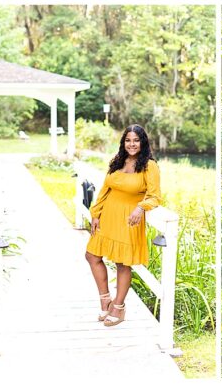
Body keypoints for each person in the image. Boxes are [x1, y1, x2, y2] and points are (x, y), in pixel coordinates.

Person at [85, 124, 161, 327]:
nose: (132, 144)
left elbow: (155, 196)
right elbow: (105, 188)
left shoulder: (149, 166)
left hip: (129, 219)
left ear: (143, 142)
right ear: (123, 142)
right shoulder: (118, 161)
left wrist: (141, 207)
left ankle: (118, 307)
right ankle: (105, 301)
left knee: (122, 262)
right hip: (108, 216)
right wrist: (96, 212)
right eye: (128, 140)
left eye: (136, 140)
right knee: (92, 255)